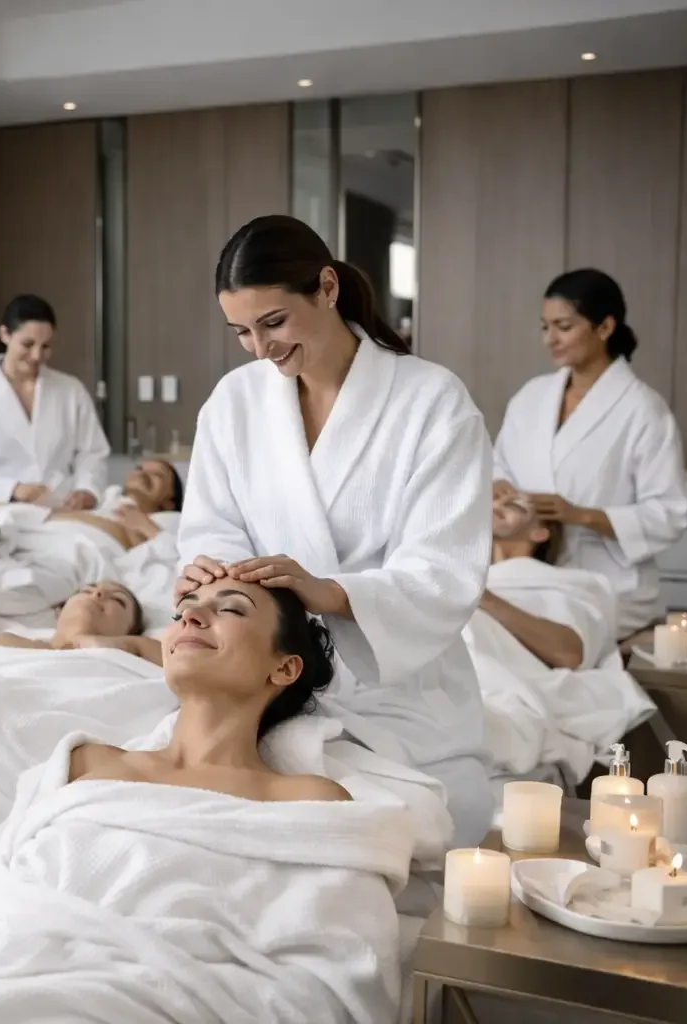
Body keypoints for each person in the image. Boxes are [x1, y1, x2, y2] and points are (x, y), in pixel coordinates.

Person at [176, 214, 492, 844]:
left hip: (395, 688)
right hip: (262, 675)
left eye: (273, 323)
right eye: (240, 332)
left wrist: (332, 592)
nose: (261, 350)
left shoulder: (432, 402)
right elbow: (212, 526)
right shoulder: (234, 402)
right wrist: (211, 574)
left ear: (326, 288)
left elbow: (445, 568)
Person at [492, 269, 687, 639]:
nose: (550, 339)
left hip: (608, 584)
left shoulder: (643, 410)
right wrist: (500, 485)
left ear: (604, 327)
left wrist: (580, 514)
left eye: (563, 326)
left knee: (518, 645)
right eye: (545, 327)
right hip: (528, 575)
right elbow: (498, 462)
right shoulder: (531, 397)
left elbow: (667, 515)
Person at [71, 576, 350, 803]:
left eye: (231, 608)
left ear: (284, 669)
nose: (189, 616)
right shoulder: (84, 761)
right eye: (179, 612)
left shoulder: (309, 800)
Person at [0, 295, 110, 509]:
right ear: (5, 335)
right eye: (27, 344)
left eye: (46, 346)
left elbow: (92, 452)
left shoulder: (70, 390)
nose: (37, 355)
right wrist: (13, 489)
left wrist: (87, 488)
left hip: (64, 511)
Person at [482, 493, 586, 670]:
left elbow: (569, 654)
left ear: (539, 533)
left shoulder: (570, 583)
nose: (496, 506)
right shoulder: (462, 574)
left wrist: (483, 599)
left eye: (515, 506)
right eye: (490, 502)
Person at [0, 580, 159, 663]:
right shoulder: (5, 643)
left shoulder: (131, 657)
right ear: (59, 612)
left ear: (130, 631)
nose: (98, 594)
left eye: (118, 600)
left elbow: (171, 658)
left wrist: (130, 646)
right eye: (86, 590)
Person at [49, 457, 184, 549]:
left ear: (169, 503)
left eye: (157, 474)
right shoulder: (99, 502)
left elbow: (177, 555)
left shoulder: (170, 521)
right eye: (139, 468)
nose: (142, 474)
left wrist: (145, 526)